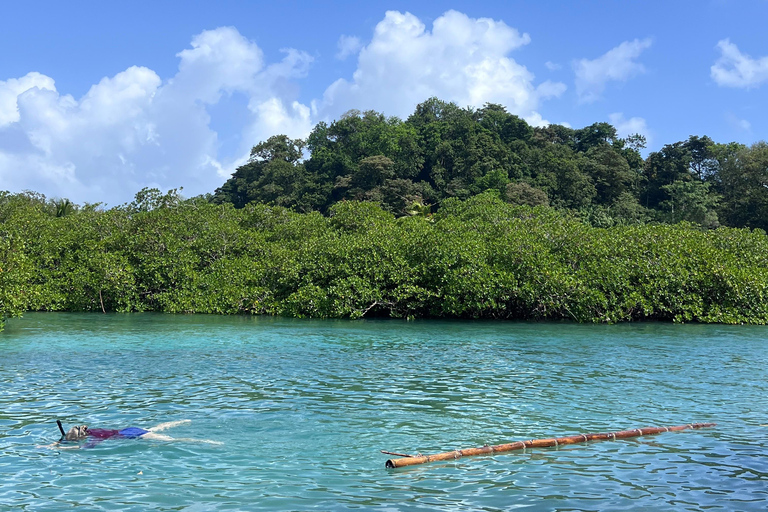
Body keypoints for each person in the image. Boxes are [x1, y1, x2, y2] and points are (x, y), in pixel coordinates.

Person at [40, 419, 221, 449]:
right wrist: (56, 444)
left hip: (132, 436)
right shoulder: (92, 431)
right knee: (155, 428)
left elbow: (81, 449)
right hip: (128, 429)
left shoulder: (95, 439)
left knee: (172, 441)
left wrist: (62, 448)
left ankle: (204, 441)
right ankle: (178, 422)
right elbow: (65, 439)